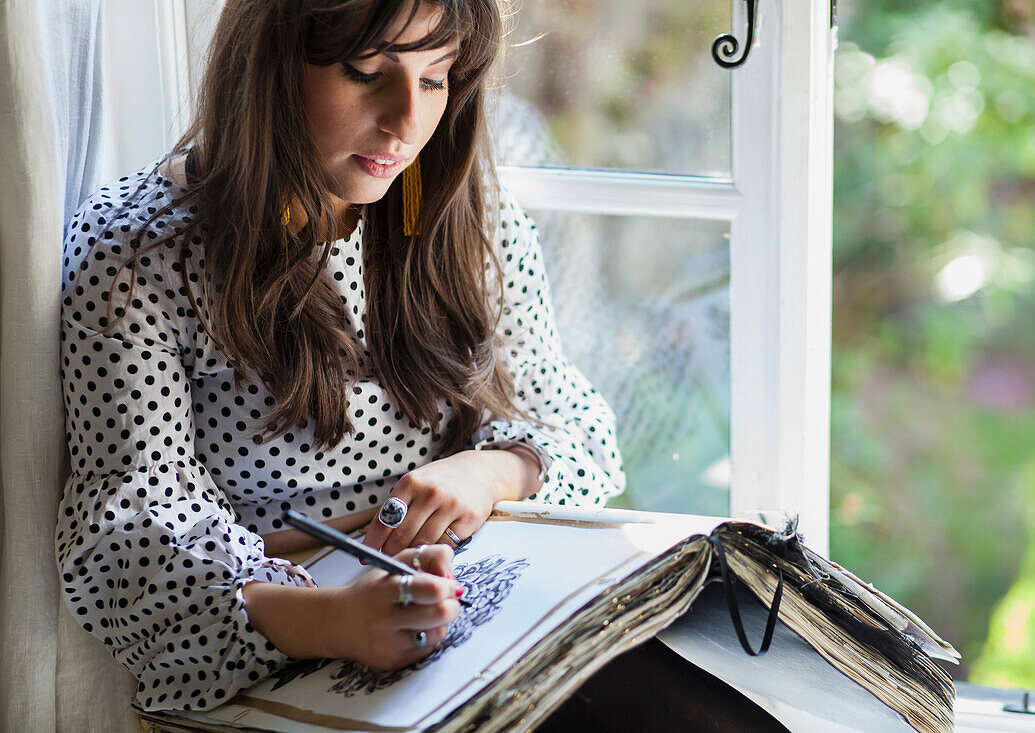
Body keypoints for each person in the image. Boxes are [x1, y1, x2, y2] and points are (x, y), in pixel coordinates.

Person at [56, 0, 623, 712]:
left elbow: (579, 430)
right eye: (366, 73)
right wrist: (336, 619)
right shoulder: (137, 255)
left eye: (437, 78)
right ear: (267, 67)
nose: (407, 123)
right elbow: (129, 535)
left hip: (464, 620)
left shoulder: (461, 218)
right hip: (272, 649)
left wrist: (489, 471)